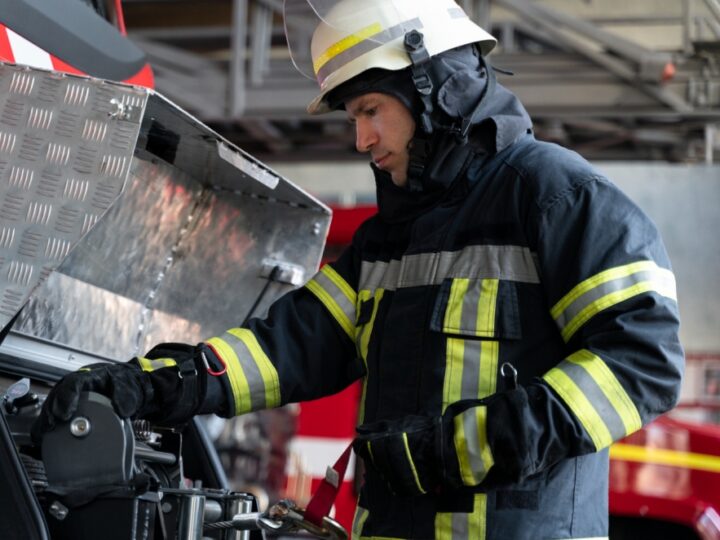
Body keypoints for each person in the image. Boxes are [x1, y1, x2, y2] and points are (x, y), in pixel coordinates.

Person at [35, 0, 684, 538]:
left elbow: (642, 362)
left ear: (435, 88)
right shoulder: (387, 241)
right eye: (355, 118)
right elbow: (288, 347)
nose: (362, 139)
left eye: (371, 110)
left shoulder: (557, 198)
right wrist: (153, 383)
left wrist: (471, 443)